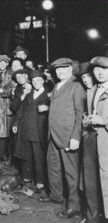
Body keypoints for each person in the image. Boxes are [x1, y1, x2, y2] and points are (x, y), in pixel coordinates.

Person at [40, 58, 85, 220]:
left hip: (67, 136)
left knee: (71, 173)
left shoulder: (76, 86)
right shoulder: (56, 86)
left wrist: (75, 137)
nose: (60, 72)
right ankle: (56, 195)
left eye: (64, 68)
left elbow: (80, 114)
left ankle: (74, 206)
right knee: (53, 167)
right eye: (57, 69)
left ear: (71, 69)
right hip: (53, 134)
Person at [13, 70, 50, 193]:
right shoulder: (28, 95)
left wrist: (47, 108)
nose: (36, 83)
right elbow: (20, 111)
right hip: (26, 130)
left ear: (43, 81)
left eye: (39, 80)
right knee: (25, 156)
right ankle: (27, 179)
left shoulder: (49, 96)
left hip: (39, 132)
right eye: (34, 81)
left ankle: (40, 182)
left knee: (39, 157)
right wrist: (16, 123)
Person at [77, 61, 102, 223]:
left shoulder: (98, 91)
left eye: (88, 76)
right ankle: (92, 215)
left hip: (99, 139)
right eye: (83, 77)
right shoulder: (88, 91)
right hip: (89, 140)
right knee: (89, 181)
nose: (86, 80)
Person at [88, 56, 108, 222]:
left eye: (104, 69)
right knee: (98, 179)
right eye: (96, 69)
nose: (99, 72)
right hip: (95, 140)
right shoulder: (94, 89)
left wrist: (103, 120)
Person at [0, 55, 15, 163]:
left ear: (7, 64)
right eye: (0, 63)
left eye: (4, 63)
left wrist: (1, 91)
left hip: (6, 106)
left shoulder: (11, 74)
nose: (2, 64)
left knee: (5, 133)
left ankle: (3, 155)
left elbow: (13, 90)